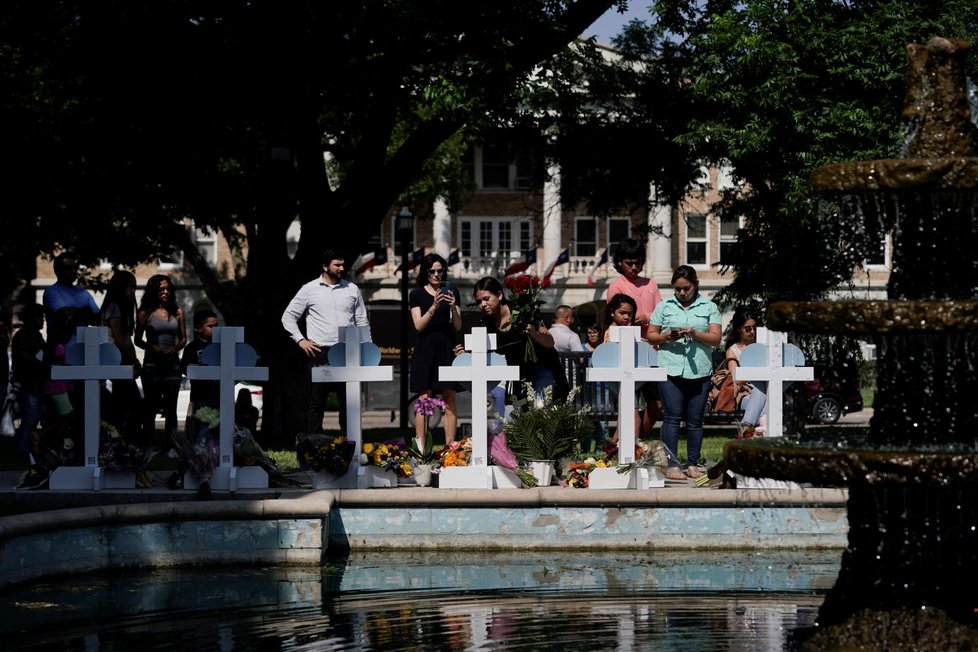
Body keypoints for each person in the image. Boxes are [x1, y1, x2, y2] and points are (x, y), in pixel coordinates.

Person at [281, 248, 371, 436]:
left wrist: (367, 349)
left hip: (348, 352)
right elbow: (288, 316)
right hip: (318, 352)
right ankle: (313, 448)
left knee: (348, 403)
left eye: (343, 264)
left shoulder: (352, 289)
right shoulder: (309, 289)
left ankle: (351, 445)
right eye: (337, 265)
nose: (341, 268)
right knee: (316, 402)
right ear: (324, 266)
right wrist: (301, 340)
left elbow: (362, 321)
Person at [647, 265, 722, 481]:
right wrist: (667, 337)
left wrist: (696, 333)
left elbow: (716, 339)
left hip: (700, 370)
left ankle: (692, 463)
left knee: (695, 420)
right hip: (671, 367)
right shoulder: (664, 306)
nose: (681, 293)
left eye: (686, 288)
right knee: (671, 418)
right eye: (677, 289)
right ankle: (672, 464)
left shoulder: (709, 306)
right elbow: (651, 335)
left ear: (696, 285)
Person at [469, 276, 568, 425]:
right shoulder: (486, 324)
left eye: (486, 298)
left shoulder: (523, 311)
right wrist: (465, 352)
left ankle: (543, 447)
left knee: (539, 408)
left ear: (500, 295)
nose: (482, 304)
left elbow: (550, 342)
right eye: (478, 302)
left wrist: (535, 335)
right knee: (510, 416)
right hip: (518, 377)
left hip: (543, 368)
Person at [605, 237, 664, 436]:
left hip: (651, 352)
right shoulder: (615, 286)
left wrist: (646, 317)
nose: (634, 267)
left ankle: (633, 442)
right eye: (629, 263)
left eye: (638, 262)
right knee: (628, 405)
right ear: (620, 262)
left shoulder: (652, 284)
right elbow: (614, 316)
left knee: (656, 404)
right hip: (625, 353)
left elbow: (661, 314)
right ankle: (622, 446)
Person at [409, 253, 463, 449]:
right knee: (425, 399)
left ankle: (451, 448)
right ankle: (422, 449)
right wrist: (433, 307)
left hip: (446, 347)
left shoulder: (453, 291)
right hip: (426, 348)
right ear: (425, 272)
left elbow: (457, 326)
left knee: (449, 396)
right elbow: (418, 325)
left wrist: (453, 307)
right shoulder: (416, 294)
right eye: (432, 271)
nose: (437, 274)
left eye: (440, 271)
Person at [135, 274, 187, 447]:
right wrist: (152, 348)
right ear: (153, 291)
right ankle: (148, 447)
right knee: (151, 408)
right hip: (152, 364)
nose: (165, 292)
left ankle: (171, 448)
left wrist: (174, 350)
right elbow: (137, 339)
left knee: (171, 409)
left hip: (172, 364)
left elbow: (183, 339)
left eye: (168, 288)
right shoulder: (145, 313)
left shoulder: (178, 312)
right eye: (161, 289)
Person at [173, 309, 221, 491]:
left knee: (218, 439)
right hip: (200, 399)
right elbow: (186, 369)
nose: (215, 329)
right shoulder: (192, 348)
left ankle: (211, 470)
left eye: (217, 326)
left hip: (219, 398)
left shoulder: (222, 346)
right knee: (198, 439)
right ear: (199, 328)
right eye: (211, 326)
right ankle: (194, 474)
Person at [100, 270, 142, 439]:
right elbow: (118, 339)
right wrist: (135, 360)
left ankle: (119, 442)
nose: (132, 290)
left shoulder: (123, 308)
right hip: (116, 359)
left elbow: (127, 340)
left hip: (124, 359)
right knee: (134, 404)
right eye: (129, 286)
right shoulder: (113, 307)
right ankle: (124, 441)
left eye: (134, 286)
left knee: (122, 404)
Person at [602, 294, 643, 444]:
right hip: (618, 376)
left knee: (629, 409)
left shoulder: (629, 330)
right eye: (622, 313)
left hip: (630, 375)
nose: (626, 317)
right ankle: (630, 445)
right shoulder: (611, 332)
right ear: (612, 312)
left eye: (630, 314)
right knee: (631, 409)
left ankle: (618, 446)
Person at [11, 305, 47, 472]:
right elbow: (26, 358)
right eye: (40, 316)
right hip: (28, 384)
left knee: (33, 421)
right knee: (29, 420)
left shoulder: (37, 335)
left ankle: (29, 453)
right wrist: (42, 365)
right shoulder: (23, 336)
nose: (43, 320)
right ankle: (22, 454)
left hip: (37, 384)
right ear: (32, 317)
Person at [724, 308, 767, 438]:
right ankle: (749, 430)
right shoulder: (733, 351)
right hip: (745, 393)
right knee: (761, 392)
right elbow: (735, 378)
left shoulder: (763, 346)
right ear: (738, 329)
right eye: (747, 329)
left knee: (768, 395)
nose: (752, 332)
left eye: (754, 327)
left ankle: (747, 432)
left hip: (766, 392)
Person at [42, 252, 99, 349]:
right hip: (61, 351)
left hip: (86, 350)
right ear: (57, 271)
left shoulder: (84, 293)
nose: (73, 271)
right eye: (68, 268)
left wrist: (75, 313)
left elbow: (97, 319)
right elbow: (64, 314)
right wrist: (84, 312)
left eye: (75, 267)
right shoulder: (52, 292)